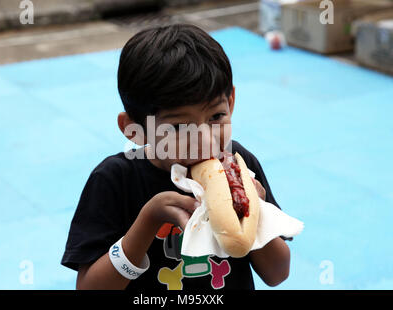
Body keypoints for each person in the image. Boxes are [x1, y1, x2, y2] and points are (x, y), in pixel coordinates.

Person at [61, 24, 290, 290]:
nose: (204, 141)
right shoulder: (115, 179)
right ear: (133, 129)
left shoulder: (241, 165)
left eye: (216, 117)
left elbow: (277, 274)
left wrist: (255, 212)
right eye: (179, 128)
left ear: (231, 101)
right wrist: (148, 221)